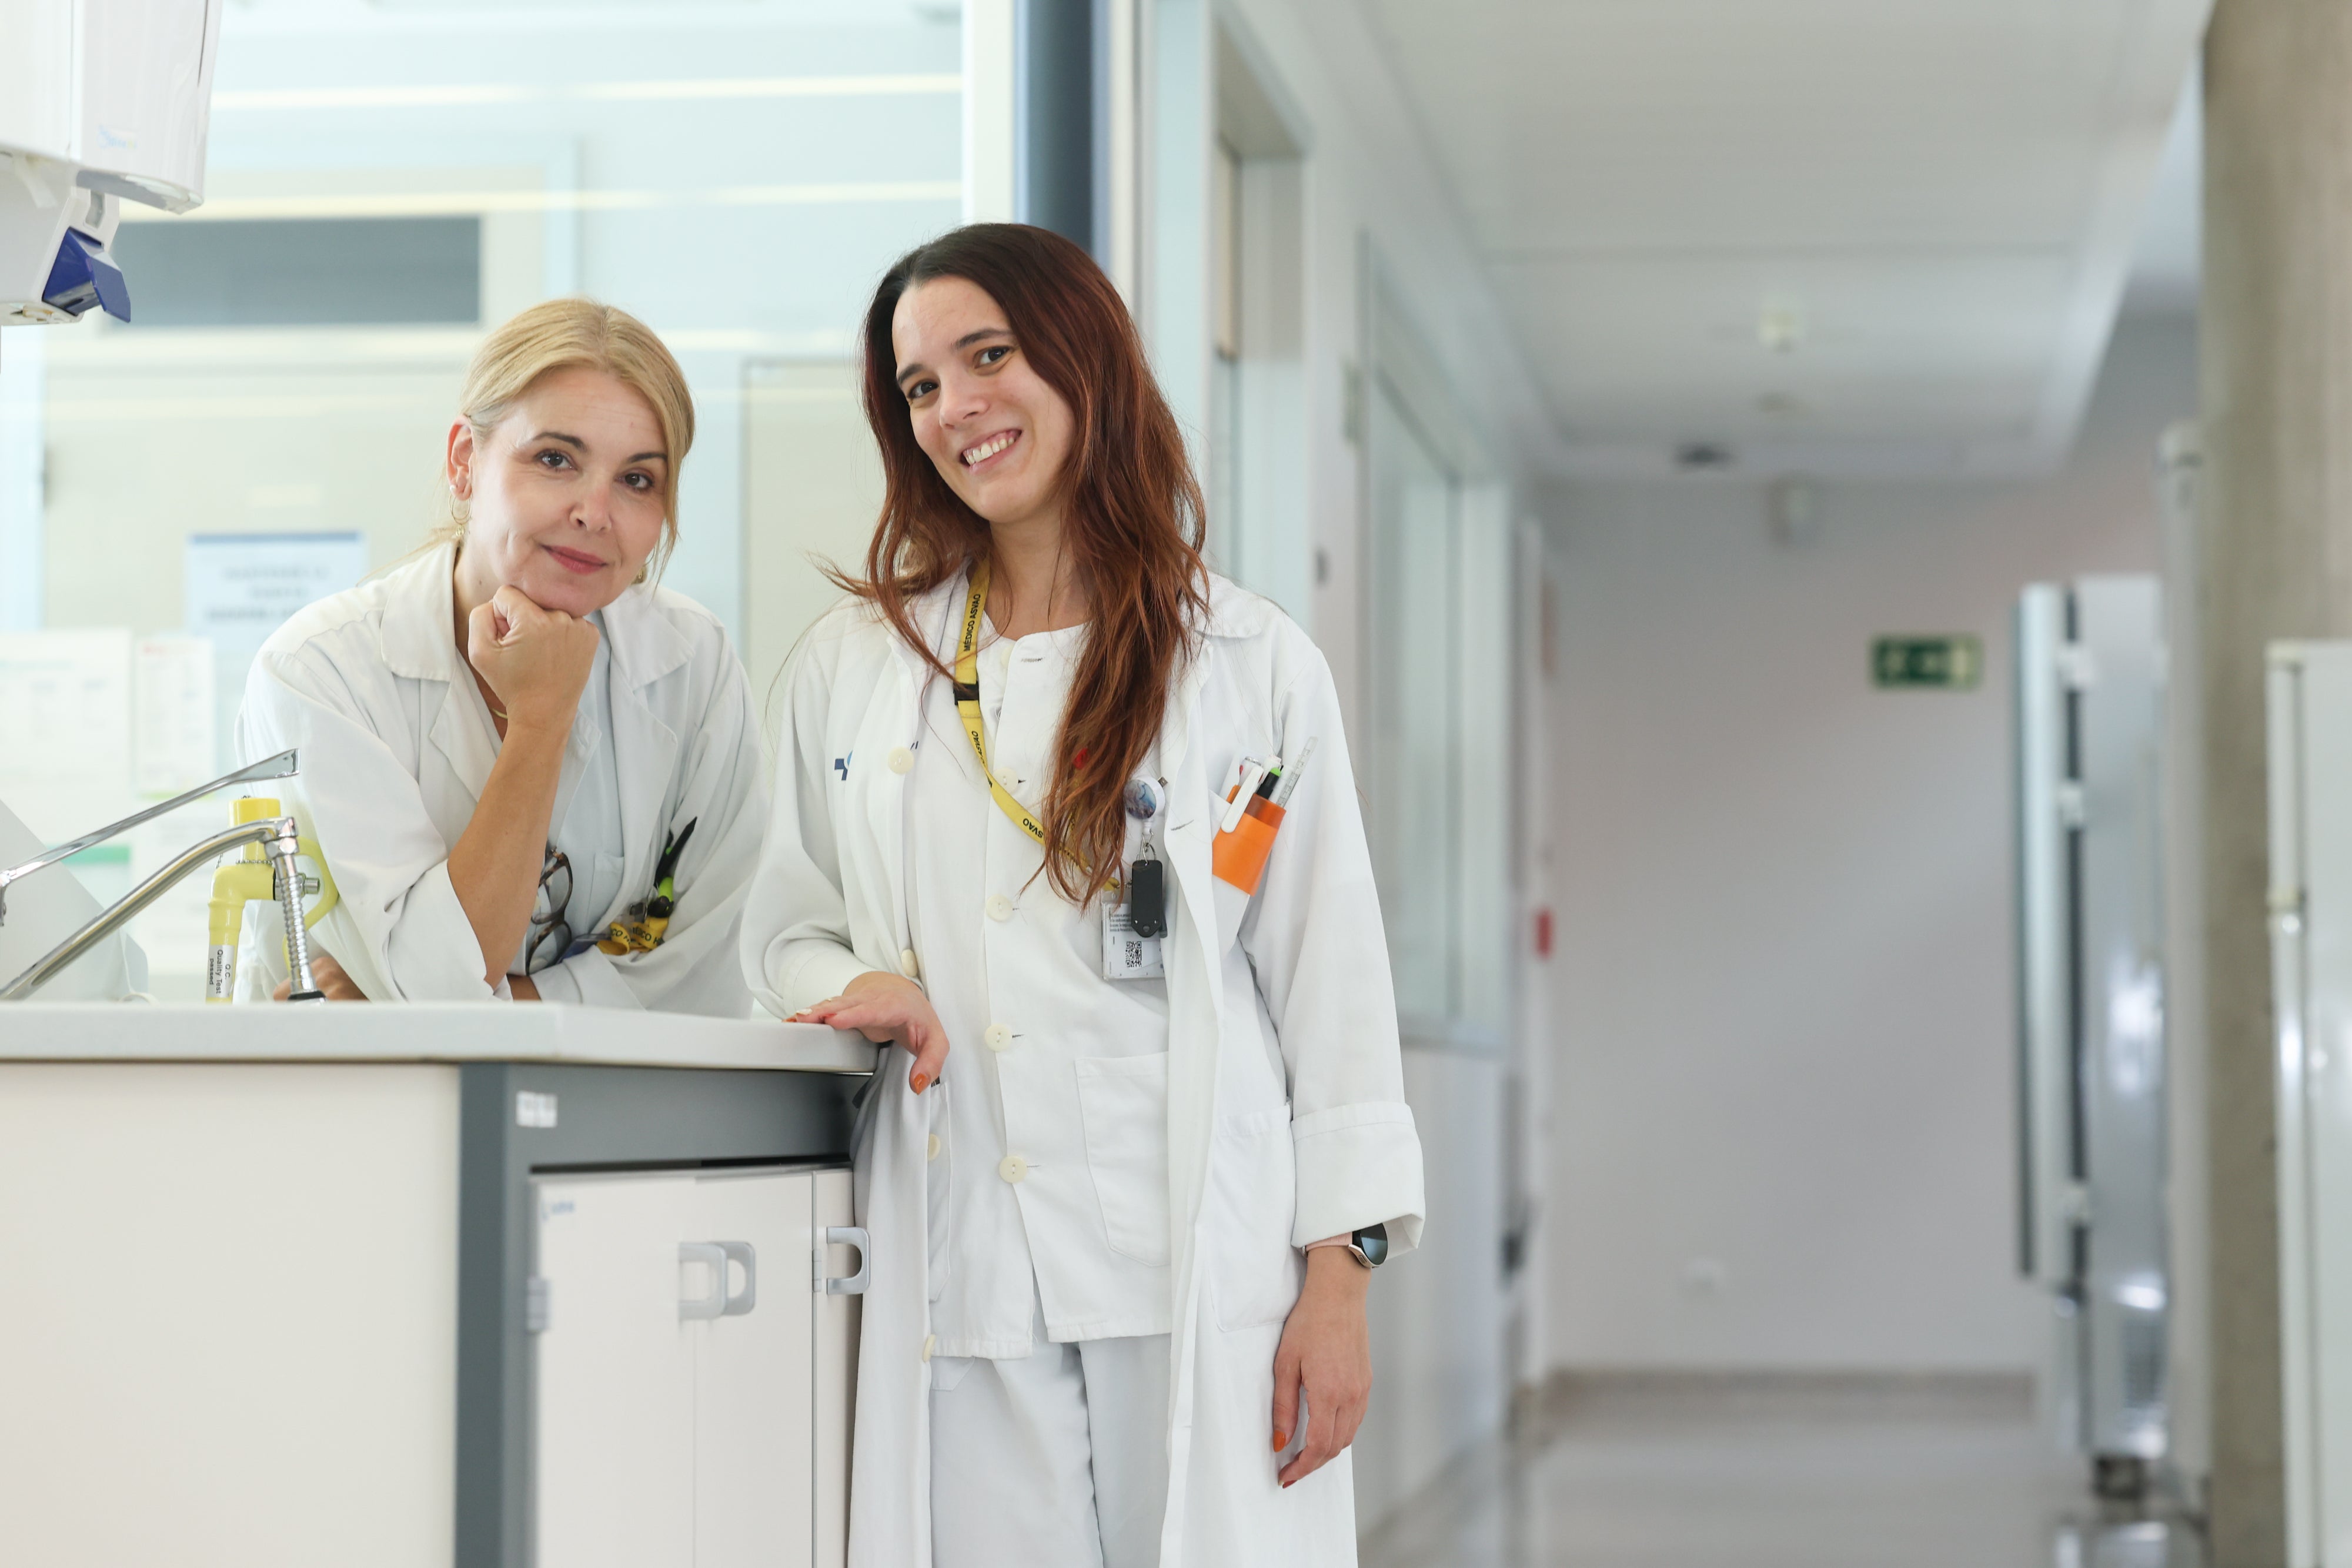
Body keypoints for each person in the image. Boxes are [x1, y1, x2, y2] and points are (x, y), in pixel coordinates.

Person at [743, 223, 1426, 1567]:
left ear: (1084, 361)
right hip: (972, 1250)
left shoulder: (1244, 664)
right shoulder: (858, 665)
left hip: (1191, 1257)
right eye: (920, 386)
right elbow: (780, 917)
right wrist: (852, 982)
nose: (955, 408)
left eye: (985, 356)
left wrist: (1338, 1285)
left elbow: (1327, 980)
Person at [233, 297, 763, 1012]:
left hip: (623, 1109)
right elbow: (436, 987)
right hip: (358, 1109)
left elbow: (717, 963)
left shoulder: (690, 660)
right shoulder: (320, 673)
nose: (594, 512)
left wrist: (503, 1003)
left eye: (637, 479)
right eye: (555, 459)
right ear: (464, 463)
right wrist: (540, 723)